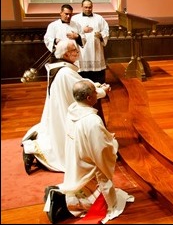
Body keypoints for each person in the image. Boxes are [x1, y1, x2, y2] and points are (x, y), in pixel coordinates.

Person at [43, 80, 134, 224]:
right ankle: (63, 203)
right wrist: (112, 143)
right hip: (89, 164)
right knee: (100, 199)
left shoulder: (73, 109)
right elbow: (102, 150)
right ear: (89, 98)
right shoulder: (92, 121)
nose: (97, 93)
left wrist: (106, 137)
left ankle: (61, 196)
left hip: (76, 158)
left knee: (78, 184)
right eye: (94, 91)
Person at [21, 40, 111, 174]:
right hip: (65, 110)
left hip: (60, 106)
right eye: (74, 50)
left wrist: (96, 84)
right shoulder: (65, 73)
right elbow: (83, 92)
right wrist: (102, 91)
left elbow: (79, 83)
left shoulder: (60, 67)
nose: (78, 51)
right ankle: (32, 151)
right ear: (67, 54)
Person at [72, 0, 110, 123]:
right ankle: (84, 97)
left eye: (90, 7)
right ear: (81, 7)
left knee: (98, 75)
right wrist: (82, 31)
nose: (88, 9)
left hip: (96, 52)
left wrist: (101, 35)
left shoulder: (99, 18)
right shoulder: (75, 19)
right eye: (86, 7)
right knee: (83, 75)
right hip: (83, 53)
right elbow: (73, 33)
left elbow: (106, 31)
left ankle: (99, 95)